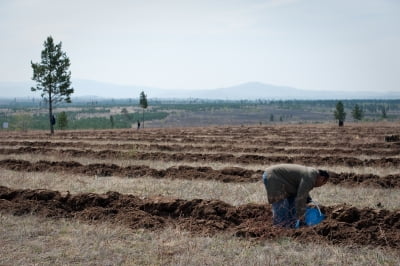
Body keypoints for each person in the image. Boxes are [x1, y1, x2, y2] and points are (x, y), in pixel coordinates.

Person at [262, 164, 329, 228]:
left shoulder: (311, 174)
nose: (320, 186)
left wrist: (308, 199)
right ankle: (280, 228)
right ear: (322, 178)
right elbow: (301, 198)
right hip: (274, 177)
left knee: (293, 201)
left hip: (280, 179)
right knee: (280, 205)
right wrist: (301, 216)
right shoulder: (311, 176)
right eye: (323, 184)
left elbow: (301, 190)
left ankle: (291, 225)